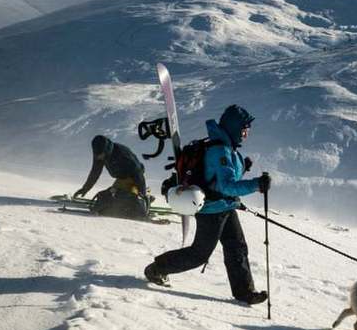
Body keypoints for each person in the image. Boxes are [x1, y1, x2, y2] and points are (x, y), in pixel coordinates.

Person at [144, 105, 271, 305]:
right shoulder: (220, 150)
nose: (247, 133)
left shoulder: (228, 147)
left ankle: (245, 293)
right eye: (244, 128)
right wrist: (256, 185)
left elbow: (221, 179)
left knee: (237, 248)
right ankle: (157, 268)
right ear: (234, 128)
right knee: (199, 254)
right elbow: (226, 186)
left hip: (225, 207)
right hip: (211, 210)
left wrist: (243, 168)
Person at [75, 135, 149, 210]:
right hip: (122, 179)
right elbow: (95, 172)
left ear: (106, 150)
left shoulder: (123, 154)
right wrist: (85, 188)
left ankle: (143, 194)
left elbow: (138, 172)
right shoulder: (100, 153)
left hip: (134, 178)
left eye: (100, 155)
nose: (99, 157)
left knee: (123, 199)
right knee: (113, 196)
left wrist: (143, 194)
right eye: (97, 154)